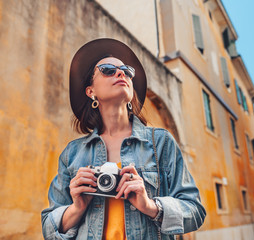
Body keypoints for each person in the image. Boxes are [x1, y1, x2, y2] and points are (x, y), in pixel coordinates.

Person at [41, 38, 206, 240]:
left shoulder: (160, 143)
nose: (121, 73)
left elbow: (195, 211)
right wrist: (77, 207)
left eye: (127, 71)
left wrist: (151, 206)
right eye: (108, 69)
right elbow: (48, 229)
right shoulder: (72, 154)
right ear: (90, 91)